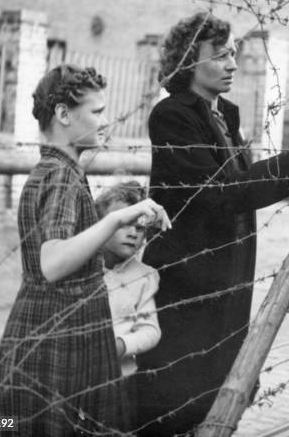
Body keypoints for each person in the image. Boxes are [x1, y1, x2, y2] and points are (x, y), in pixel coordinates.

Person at [136, 12, 289, 435]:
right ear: (189, 62)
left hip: (226, 282)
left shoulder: (223, 115)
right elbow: (219, 195)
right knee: (171, 405)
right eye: (220, 56)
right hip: (187, 287)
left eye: (234, 54)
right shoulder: (172, 116)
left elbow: (235, 186)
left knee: (215, 398)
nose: (233, 65)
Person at [0, 65, 170, 436]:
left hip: (38, 320)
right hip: (63, 328)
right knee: (50, 424)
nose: (106, 120)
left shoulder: (50, 170)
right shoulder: (61, 176)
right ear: (63, 114)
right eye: (96, 112)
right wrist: (116, 219)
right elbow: (53, 262)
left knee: (5, 420)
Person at [95, 181, 162, 431]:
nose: (134, 233)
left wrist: (122, 345)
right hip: (75, 376)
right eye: (124, 224)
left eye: (141, 228)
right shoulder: (82, 269)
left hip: (120, 379)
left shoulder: (144, 276)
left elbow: (150, 329)